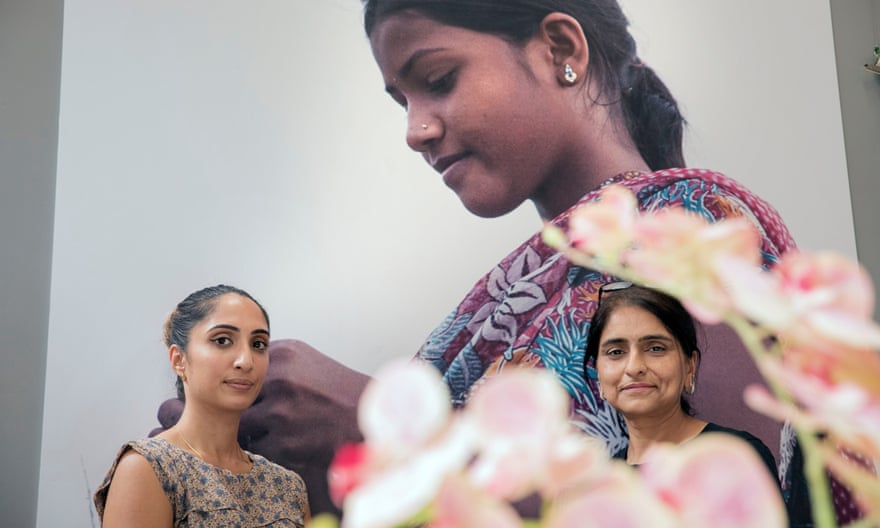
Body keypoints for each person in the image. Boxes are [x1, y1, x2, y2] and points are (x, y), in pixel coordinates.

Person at [154, 0, 847, 521]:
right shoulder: (511, 314)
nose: (415, 130)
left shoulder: (694, 231)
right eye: (403, 100)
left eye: (438, 78)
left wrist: (379, 430)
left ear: (557, 48)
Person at [96, 285, 310, 527]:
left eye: (258, 344)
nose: (246, 361)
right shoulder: (150, 468)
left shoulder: (287, 486)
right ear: (179, 360)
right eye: (222, 340)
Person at [584, 281, 778, 478]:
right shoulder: (603, 484)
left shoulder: (737, 459)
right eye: (616, 352)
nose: (634, 368)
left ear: (689, 366)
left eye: (656, 348)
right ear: (598, 373)